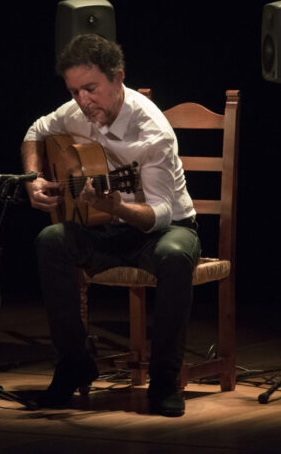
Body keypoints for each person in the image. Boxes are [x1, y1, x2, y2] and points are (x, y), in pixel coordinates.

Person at [21, 34, 201, 417]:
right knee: (50, 240)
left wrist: (117, 207)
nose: (82, 101)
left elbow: (162, 214)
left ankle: (165, 380)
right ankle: (73, 364)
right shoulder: (75, 113)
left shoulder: (152, 129)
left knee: (174, 254)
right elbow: (35, 130)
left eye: (90, 89)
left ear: (118, 78)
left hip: (164, 230)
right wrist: (33, 178)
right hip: (107, 228)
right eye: (74, 92)